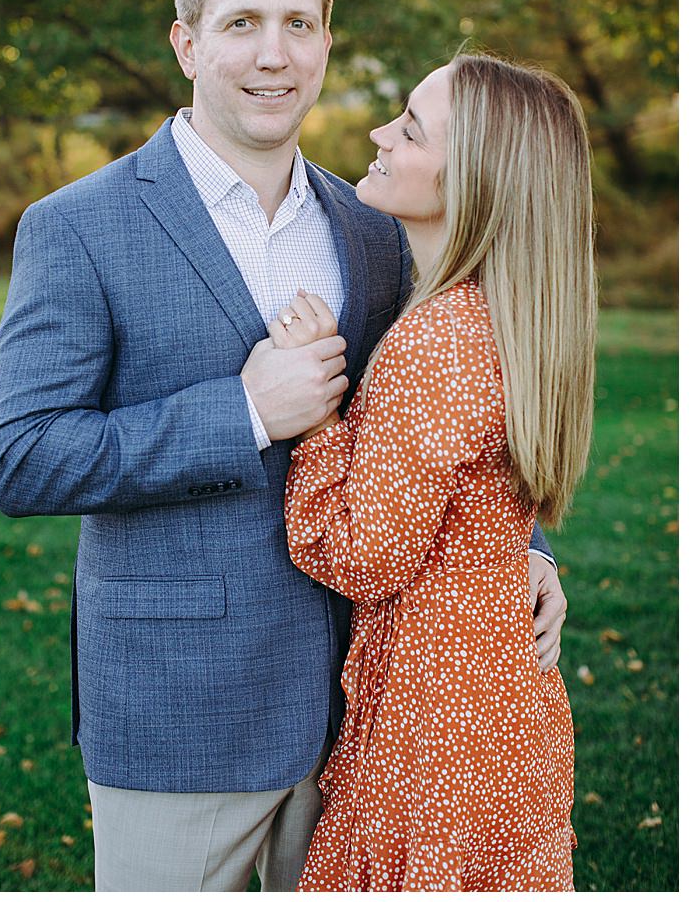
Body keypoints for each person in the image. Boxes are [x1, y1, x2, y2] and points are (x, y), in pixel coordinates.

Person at [0, 0, 568, 890]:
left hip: (362, 715)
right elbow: (22, 455)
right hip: (178, 713)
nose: (272, 52)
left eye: (299, 22)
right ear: (186, 44)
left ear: (326, 42)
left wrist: (522, 553)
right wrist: (244, 412)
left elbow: (435, 429)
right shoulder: (77, 226)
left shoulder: (373, 228)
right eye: (242, 21)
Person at [271, 54, 587, 888]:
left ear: (472, 181)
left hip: (436, 717)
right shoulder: (514, 315)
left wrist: (319, 419)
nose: (376, 134)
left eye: (409, 128)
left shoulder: (435, 340)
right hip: (506, 698)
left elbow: (363, 556)